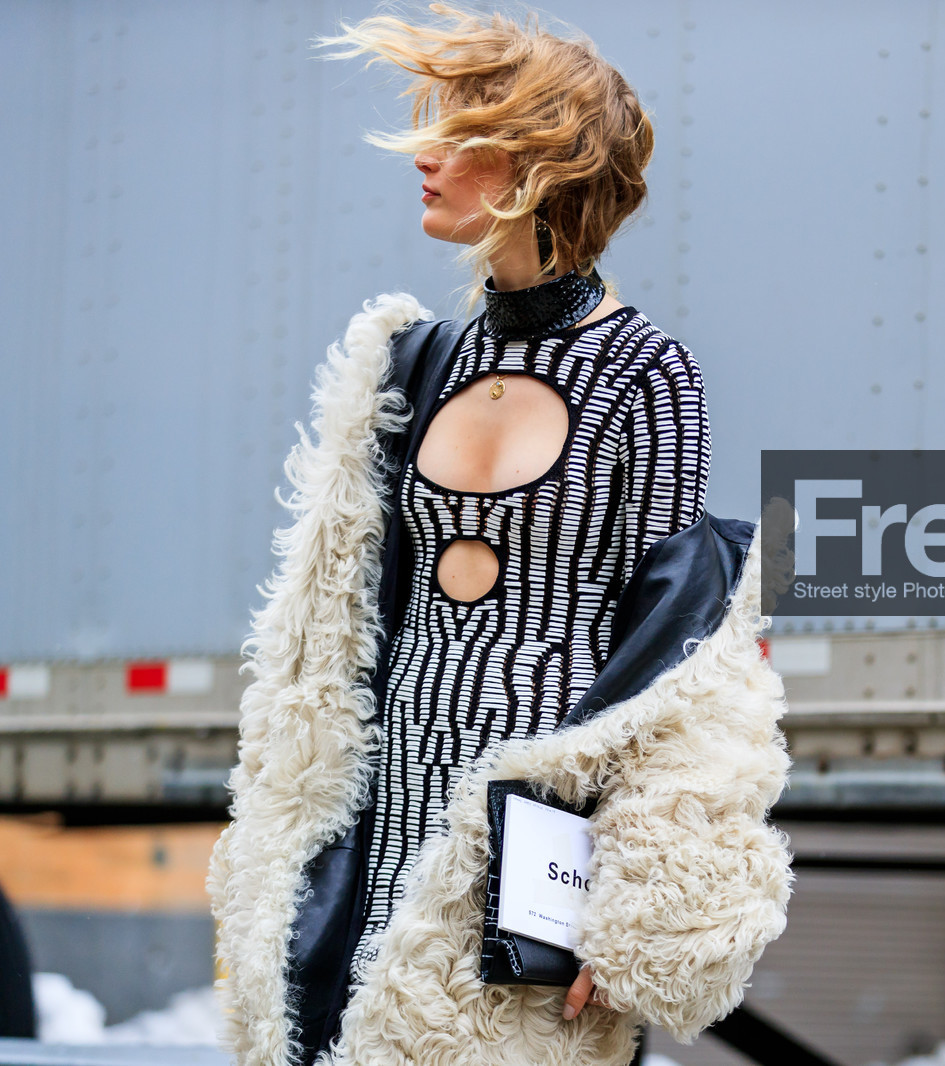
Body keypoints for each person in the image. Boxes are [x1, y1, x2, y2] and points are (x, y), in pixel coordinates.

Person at [207, 7, 792, 1066]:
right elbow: (337, 625)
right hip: (387, 800)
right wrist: (280, 834)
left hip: (532, 831)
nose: (426, 157)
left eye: (463, 134)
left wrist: (633, 908)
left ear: (544, 166)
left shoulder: (644, 374)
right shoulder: (412, 363)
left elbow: (679, 662)